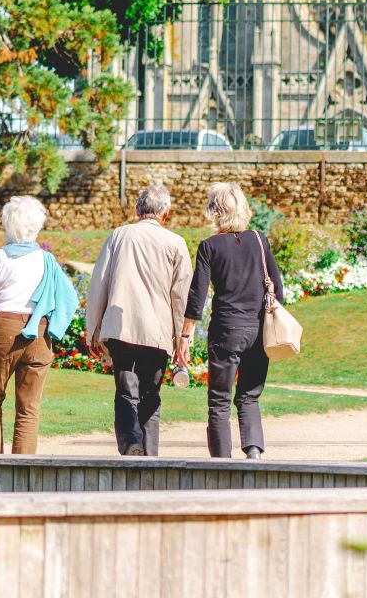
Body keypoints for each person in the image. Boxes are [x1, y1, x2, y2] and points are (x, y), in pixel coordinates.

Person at [177, 182, 283, 461]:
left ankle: (222, 463)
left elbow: (197, 296)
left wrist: (185, 336)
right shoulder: (259, 240)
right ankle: (254, 452)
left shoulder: (209, 247)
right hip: (259, 329)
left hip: (226, 329)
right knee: (249, 396)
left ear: (214, 211)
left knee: (219, 401)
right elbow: (279, 290)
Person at [86, 183, 192, 457]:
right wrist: (183, 338)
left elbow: (99, 284)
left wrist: (93, 329)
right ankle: (150, 454)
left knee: (125, 392)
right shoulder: (176, 243)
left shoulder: (119, 236)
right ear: (166, 213)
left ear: (137, 209)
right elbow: (181, 296)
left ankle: (132, 442)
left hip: (122, 326)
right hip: (157, 331)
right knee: (150, 395)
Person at [0, 195, 78, 455]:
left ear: (8, 224)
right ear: (37, 225)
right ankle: (23, 471)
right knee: (28, 408)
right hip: (38, 334)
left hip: (3, 331)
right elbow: (66, 295)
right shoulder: (47, 260)